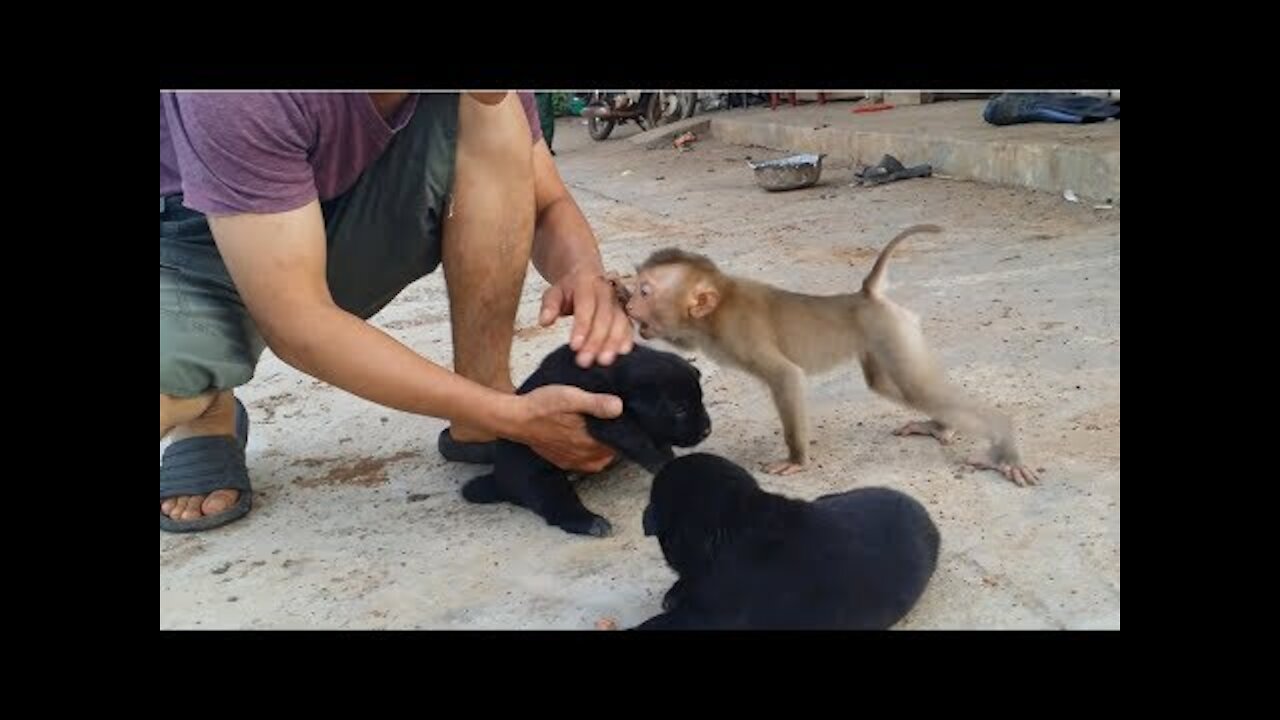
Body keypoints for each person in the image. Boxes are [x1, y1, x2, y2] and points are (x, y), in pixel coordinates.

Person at [160, 91, 634, 533]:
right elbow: (298, 323)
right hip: (184, 239)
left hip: (328, 215)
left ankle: (482, 404)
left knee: (487, 105)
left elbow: (545, 197)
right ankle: (203, 404)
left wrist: (582, 271)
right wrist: (519, 418)